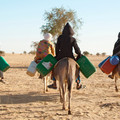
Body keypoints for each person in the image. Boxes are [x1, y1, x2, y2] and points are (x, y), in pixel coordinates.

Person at [48, 22, 83, 89]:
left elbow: (57, 48)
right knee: (77, 69)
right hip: (71, 57)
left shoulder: (60, 38)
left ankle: (54, 82)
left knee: (53, 67)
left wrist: (57, 56)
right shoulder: (73, 39)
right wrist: (79, 55)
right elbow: (77, 50)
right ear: (71, 31)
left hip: (60, 56)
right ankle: (78, 83)